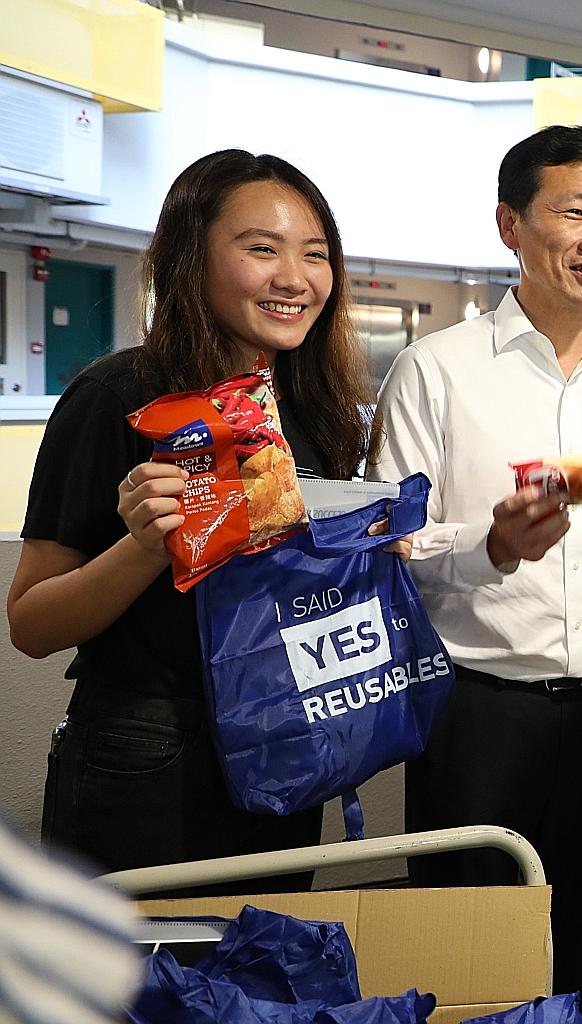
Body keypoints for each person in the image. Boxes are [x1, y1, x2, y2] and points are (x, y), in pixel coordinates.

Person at [368, 125, 582, 1021]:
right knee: (467, 943)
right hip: (474, 709)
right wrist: (492, 546)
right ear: (510, 225)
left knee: (578, 934)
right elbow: (389, 548)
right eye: (574, 213)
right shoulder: (437, 370)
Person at [8, 150, 376, 888]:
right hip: (150, 746)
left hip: (284, 734)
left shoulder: (319, 412)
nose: (294, 278)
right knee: (137, 990)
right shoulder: (117, 395)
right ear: (191, 258)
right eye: (261, 249)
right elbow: (30, 624)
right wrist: (145, 547)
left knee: (260, 976)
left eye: (315, 254)